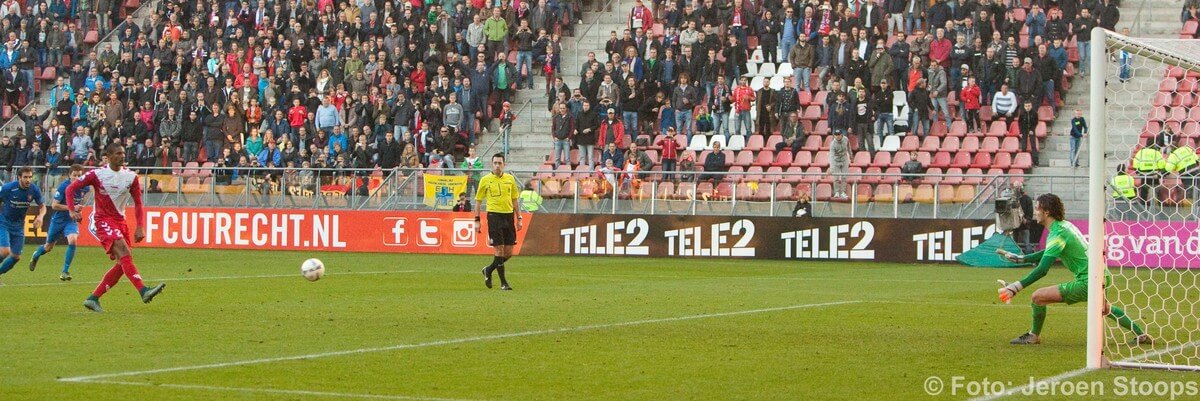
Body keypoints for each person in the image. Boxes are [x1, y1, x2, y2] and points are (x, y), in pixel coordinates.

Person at [997, 193, 1153, 345]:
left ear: (1047, 212)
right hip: (1102, 274)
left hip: (1088, 281)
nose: (1035, 212)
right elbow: (1048, 252)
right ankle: (1141, 335)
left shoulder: (1057, 233)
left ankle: (1033, 335)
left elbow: (1043, 269)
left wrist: (1015, 287)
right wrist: (1022, 258)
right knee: (1104, 308)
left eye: (1037, 209)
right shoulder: (1065, 226)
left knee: (1038, 297)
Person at [70, 144, 166, 312]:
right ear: (108, 156)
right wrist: (72, 210)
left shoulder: (130, 177)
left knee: (124, 262)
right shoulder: (97, 174)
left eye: (123, 153)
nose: (122, 156)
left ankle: (93, 298)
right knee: (124, 252)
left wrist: (140, 227)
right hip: (102, 219)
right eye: (118, 153)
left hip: (120, 221)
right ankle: (143, 290)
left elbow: (138, 203)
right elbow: (71, 189)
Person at [29, 164, 90, 281]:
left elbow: (82, 199)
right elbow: (54, 205)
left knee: (73, 240)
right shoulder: (64, 187)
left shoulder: (84, 187)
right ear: (69, 175)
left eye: (79, 176)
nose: (77, 178)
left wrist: (79, 209)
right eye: (74, 175)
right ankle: (36, 255)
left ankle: (65, 271)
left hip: (70, 221)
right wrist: (72, 208)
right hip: (58, 220)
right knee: (48, 247)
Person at [475, 153, 522, 291]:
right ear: (492, 164)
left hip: (508, 216)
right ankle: (503, 283)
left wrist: (519, 218)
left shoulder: (510, 179)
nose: (497, 165)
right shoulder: (485, 180)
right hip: (494, 216)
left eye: (499, 163)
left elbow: (514, 199)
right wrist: (477, 220)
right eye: (495, 163)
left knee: (508, 252)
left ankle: (488, 270)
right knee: (499, 249)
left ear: (504, 164)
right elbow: (478, 201)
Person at [0, 167, 47, 284]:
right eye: (25, 177)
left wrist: (40, 217)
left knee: (16, 257)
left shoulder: (34, 190)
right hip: (4, 222)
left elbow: (42, 206)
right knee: (5, 251)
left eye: (30, 177)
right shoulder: (8, 188)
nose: (28, 180)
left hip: (19, 226)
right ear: (19, 177)